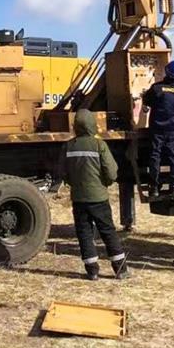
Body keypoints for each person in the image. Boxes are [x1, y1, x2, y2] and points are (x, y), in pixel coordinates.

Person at [60, 109, 129, 280]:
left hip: (79, 198)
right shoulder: (99, 145)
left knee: (84, 233)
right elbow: (112, 172)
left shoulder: (68, 146)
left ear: (75, 125)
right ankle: (121, 270)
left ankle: (92, 271)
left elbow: (63, 172)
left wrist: (74, 184)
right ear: (92, 124)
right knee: (108, 231)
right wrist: (105, 183)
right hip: (99, 198)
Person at [143, 60, 174, 198]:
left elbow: (147, 101)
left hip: (158, 129)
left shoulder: (157, 88)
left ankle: (154, 187)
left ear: (167, 71)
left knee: (155, 156)